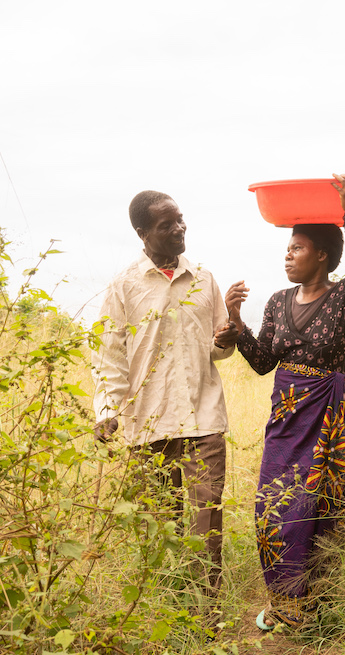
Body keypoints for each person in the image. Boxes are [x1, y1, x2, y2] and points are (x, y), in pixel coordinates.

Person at [224, 173, 345, 630]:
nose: (288, 255)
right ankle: (286, 604)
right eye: (287, 248)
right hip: (287, 418)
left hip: (331, 415)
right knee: (275, 506)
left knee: (323, 505)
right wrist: (237, 324)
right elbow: (262, 363)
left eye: (296, 248)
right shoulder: (277, 302)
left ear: (322, 255)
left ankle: (319, 605)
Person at [92, 190, 238, 600]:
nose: (179, 229)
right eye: (166, 225)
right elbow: (109, 356)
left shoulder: (205, 279)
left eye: (180, 220)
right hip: (147, 425)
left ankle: (206, 617)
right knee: (158, 526)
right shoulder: (124, 287)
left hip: (203, 420)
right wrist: (107, 410)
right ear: (142, 233)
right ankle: (164, 613)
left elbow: (218, 350)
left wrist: (227, 338)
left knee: (204, 522)